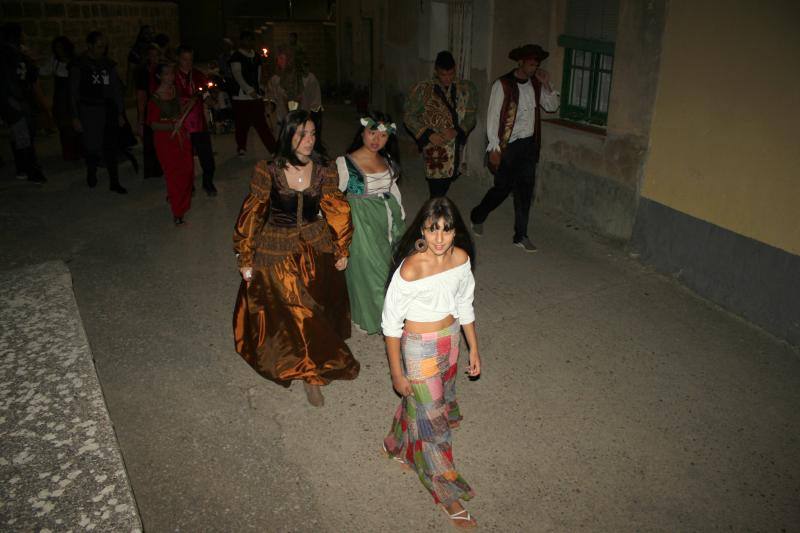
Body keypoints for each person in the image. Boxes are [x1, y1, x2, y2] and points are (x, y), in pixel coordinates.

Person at [233, 110, 359, 407]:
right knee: (296, 310)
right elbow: (253, 213)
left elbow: (337, 209)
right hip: (277, 247)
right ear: (287, 134)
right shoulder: (268, 169)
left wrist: (342, 248)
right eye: (301, 133)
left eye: (313, 133)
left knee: (314, 311)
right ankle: (310, 376)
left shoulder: (324, 169)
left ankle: (311, 365)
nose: (308, 140)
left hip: (315, 248)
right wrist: (246, 255)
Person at [381, 196, 481, 529]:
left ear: (456, 231)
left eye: (446, 230)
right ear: (422, 229)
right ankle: (446, 492)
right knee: (436, 424)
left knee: (432, 405)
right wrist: (397, 372)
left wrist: (474, 350)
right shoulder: (412, 267)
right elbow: (391, 323)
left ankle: (398, 445)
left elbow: (465, 305)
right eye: (431, 229)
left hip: (451, 341)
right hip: (419, 350)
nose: (439, 238)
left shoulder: (462, 260)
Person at [470, 44, 560, 252]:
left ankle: (521, 235)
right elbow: (492, 117)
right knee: (502, 189)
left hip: (528, 146)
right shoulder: (503, 84)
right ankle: (478, 215)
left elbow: (552, 106)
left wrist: (547, 84)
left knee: (525, 192)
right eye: (531, 63)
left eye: (537, 64)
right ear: (520, 62)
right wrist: (494, 147)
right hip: (507, 146)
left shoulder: (537, 84)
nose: (534, 67)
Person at [335, 111, 404, 334]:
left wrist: (399, 215)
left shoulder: (388, 161)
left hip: (385, 221)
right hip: (360, 223)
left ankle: (386, 314)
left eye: (383, 136)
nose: (376, 140)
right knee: (368, 271)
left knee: (388, 268)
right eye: (372, 133)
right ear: (362, 132)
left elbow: (393, 190)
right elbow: (333, 198)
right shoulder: (346, 163)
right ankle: (371, 318)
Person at [404, 51, 478, 198]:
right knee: (437, 191)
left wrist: (457, 130)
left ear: (455, 69)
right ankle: (433, 217)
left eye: (450, 74)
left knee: (447, 184)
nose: (447, 79)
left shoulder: (466, 88)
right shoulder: (423, 89)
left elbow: (471, 116)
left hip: (455, 146)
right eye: (443, 74)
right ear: (436, 71)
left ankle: (435, 214)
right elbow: (409, 116)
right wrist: (428, 134)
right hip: (434, 148)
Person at [70, 31, 127, 194]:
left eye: (104, 46)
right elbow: (73, 92)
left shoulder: (108, 64)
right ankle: (91, 171)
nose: (102, 49)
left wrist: (120, 112)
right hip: (89, 109)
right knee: (92, 145)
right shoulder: (79, 65)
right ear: (90, 45)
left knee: (111, 145)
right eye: (99, 46)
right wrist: (75, 116)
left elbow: (115, 89)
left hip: (108, 108)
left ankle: (114, 181)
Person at [146, 63, 194, 225]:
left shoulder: (175, 92)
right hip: (165, 140)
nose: (171, 77)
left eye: (172, 74)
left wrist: (186, 108)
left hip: (180, 136)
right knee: (174, 175)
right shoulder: (154, 99)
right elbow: (153, 125)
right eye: (166, 74)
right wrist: (172, 125)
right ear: (159, 76)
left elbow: (179, 112)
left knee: (188, 171)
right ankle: (178, 212)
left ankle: (177, 199)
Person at [0, 23, 46, 184]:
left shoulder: (17, 53)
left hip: (18, 99)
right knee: (24, 136)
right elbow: (8, 80)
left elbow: (29, 74)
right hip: (15, 100)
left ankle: (23, 168)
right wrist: (15, 101)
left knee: (19, 136)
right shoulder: (8, 54)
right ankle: (31, 171)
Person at [175, 44, 217, 196]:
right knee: (183, 158)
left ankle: (208, 182)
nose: (188, 63)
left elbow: (205, 94)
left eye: (191, 59)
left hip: (198, 122)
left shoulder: (198, 75)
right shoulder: (173, 76)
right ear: (178, 59)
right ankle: (187, 185)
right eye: (185, 59)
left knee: (206, 156)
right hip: (181, 123)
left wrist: (210, 99)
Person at [229, 30, 276, 156]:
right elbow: (238, 75)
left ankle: (273, 149)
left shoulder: (256, 56)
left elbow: (258, 74)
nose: (249, 42)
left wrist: (259, 87)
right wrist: (249, 90)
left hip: (255, 95)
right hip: (240, 96)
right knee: (241, 124)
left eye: (251, 40)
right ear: (242, 41)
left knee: (261, 123)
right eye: (247, 40)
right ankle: (241, 146)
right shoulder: (236, 57)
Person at [265, 45, 323, 139]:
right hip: (283, 126)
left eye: (282, 58)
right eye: (279, 58)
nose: (279, 61)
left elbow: (316, 105)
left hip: (303, 124)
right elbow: (271, 101)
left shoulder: (308, 79)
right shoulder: (275, 80)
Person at [135, 45, 163, 178]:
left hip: (161, 107)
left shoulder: (162, 70)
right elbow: (141, 95)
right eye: (151, 55)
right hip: (149, 107)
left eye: (156, 55)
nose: (154, 58)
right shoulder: (143, 72)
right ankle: (152, 170)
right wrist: (140, 119)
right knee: (149, 140)